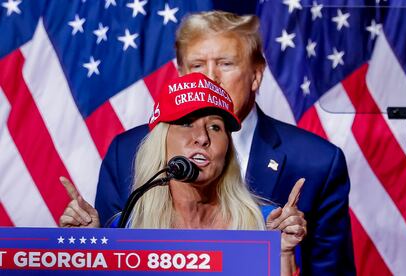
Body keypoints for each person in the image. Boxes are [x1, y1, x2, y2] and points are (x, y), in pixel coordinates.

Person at [95, 11, 355, 275]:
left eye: (226, 63)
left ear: (256, 74)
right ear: (181, 73)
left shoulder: (317, 161)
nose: (210, 78)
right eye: (197, 65)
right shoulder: (126, 151)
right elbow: (110, 259)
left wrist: (283, 253)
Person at [60, 72, 307, 276]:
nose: (202, 137)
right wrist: (86, 250)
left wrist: (283, 253)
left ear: (227, 151)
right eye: (187, 123)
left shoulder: (266, 225)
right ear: (161, 141)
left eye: (215, 127)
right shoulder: (125, 227)